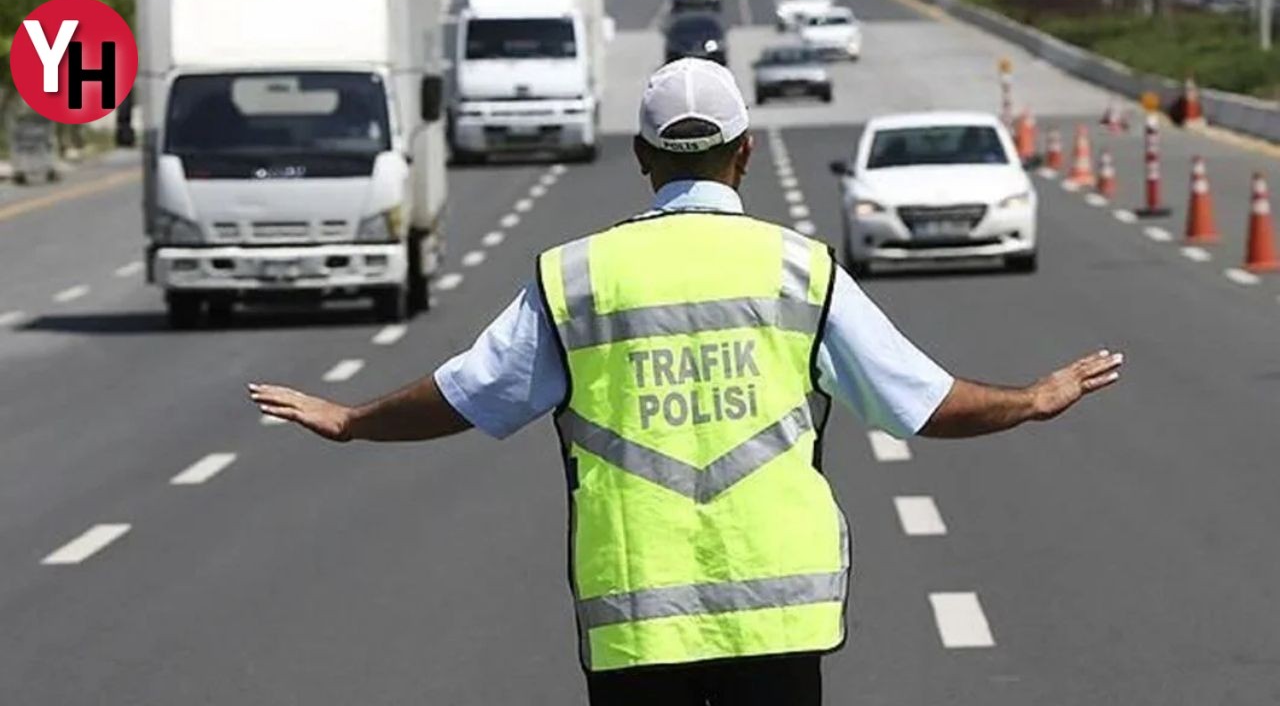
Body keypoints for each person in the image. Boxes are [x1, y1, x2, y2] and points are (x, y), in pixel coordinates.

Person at [248, 58, 1124, 705]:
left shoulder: (578, 277)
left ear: (642, 156)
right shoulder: (798, 269)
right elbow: (921, 401)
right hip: (780, 617)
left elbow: (470, 393)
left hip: (637, 623)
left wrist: (353, 418)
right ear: (744, 154)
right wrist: (1033, 400)